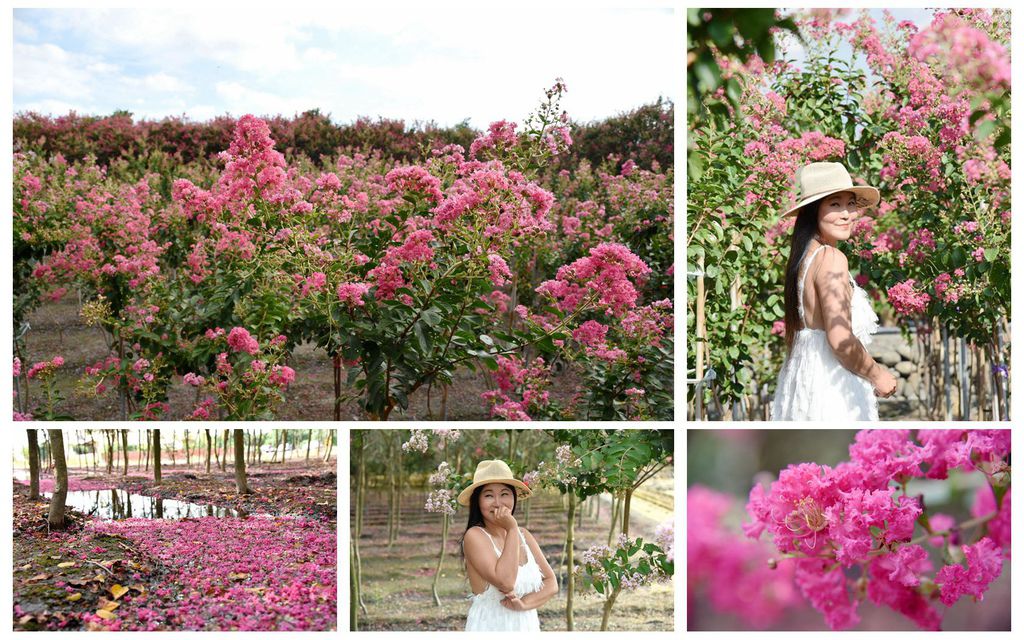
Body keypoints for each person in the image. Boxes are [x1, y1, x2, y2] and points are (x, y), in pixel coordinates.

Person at [771, 162, 898, 421]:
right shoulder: (831, 258)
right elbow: (840, 339)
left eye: (851, 204)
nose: (846, 214)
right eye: (834, 204)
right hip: (833, 382)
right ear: (812, 212)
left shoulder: (805, 258)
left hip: (808, 379)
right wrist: (878, 375)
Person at [459, 459, 557, 631]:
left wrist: (524, 604)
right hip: (491, 625)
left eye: (504, 494)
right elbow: (506, 582)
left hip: (526, 625)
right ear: (478, 501)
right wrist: (511, 528)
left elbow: (551, 583)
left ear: (514, 497)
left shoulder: (524, 535)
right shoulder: (474, 536)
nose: (498, 502)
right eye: (488, 495)